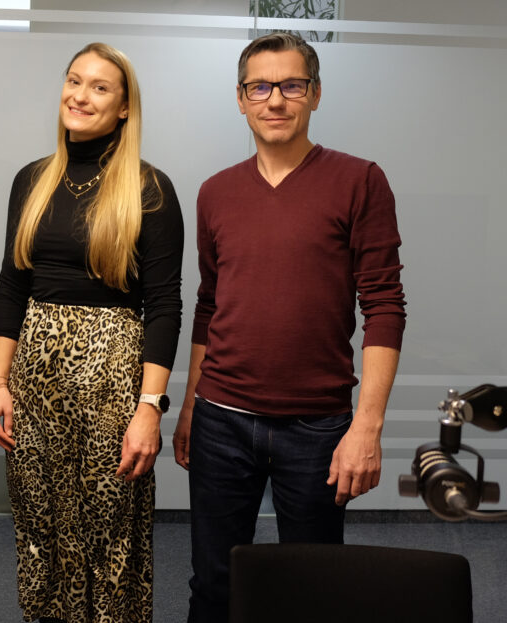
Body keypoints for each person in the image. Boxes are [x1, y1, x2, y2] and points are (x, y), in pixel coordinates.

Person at [171, 33, 407, 623]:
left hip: (318, 428)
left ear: (315, 95)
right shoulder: (216, 192)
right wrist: (191, 409)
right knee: (215, 586)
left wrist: (367, 427)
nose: (275, 100)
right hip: (222, 419)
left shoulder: (360, 180)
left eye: (291, 85)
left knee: (312, 590)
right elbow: (208, 304)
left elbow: (384, 306)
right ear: (242, 98)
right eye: (261, 87)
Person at [0, 42, 184, 623]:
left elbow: (165, 304)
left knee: (109, 530)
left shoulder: (149, 189)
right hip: (33, 382)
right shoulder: (32, 180)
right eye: (74, 81)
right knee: (40, 527)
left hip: (112, 383)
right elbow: (10, 286)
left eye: (100, 87)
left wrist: (149, 408)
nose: (80, 95)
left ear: (125, 107)